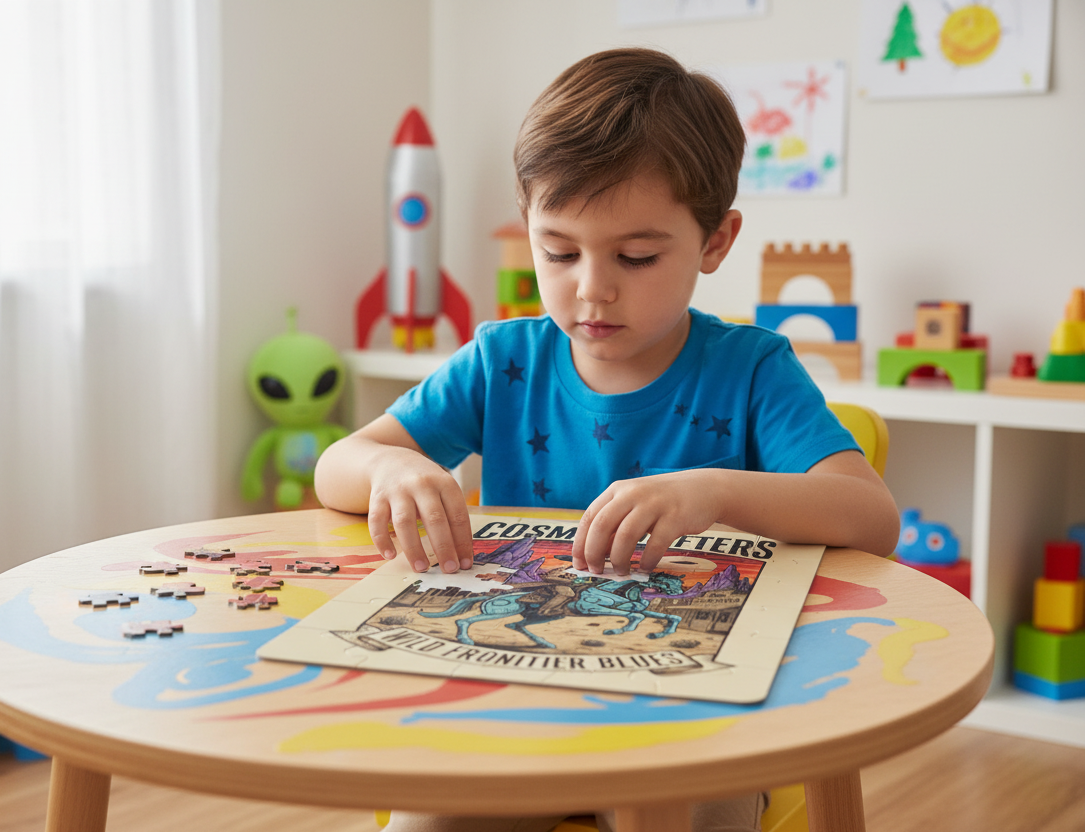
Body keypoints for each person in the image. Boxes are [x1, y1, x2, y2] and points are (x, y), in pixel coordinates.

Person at [315, 47, 900, 832]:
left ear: (715, 243)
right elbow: (335, 467)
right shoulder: (502, 361)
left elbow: (870, 515)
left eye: (636, 255)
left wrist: (715, 490)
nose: (591, 286)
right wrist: (390, 467)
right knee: (429, 820)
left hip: (696, 708)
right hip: (514, 699)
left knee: (688, 812)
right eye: (557, 250)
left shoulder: (752, 369)